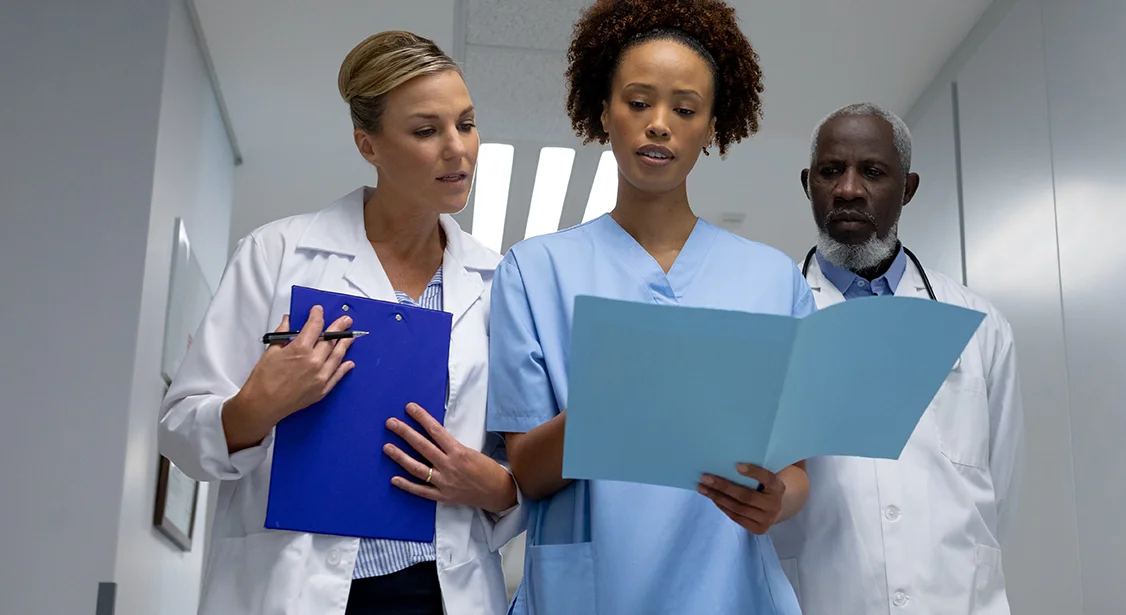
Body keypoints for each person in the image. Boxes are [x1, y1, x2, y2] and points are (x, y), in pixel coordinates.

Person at [158, 31, 523, 615]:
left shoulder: (499, 282)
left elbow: (518, 456)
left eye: (467, 123)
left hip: (440, 587)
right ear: (368, 145)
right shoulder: (276, 252)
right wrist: (257, 405)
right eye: (427, 131)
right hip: (296, 582)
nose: (458, 149)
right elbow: (180, 431)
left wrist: (501, 488)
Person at [486, 2, 814, 613]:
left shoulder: (773, 280)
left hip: (731, 589)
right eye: (638, 103)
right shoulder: (534, 271)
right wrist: (621, 389)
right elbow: (526, 471)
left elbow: (793, 471)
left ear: (712, 126)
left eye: (685, 109)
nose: (659, 124)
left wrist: (778, 500)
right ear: (604, 113)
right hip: (590, 590)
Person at [769, 103, 1024, 614]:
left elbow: (1001, 489)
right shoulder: (772, 320)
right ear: (807, 184)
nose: (848, 189)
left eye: (873, 172)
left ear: (907, 188)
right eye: (830, 171)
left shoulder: (979, 324)